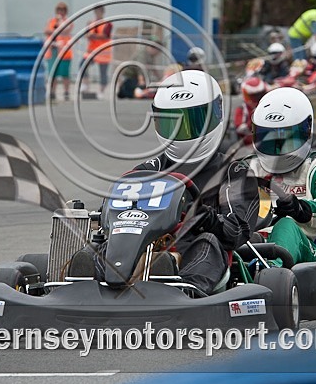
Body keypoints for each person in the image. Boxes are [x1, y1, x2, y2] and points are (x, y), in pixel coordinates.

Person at [76, 69, 260, 295]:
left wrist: (204, 215)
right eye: (171, 123)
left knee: (208, 242)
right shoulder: (149, 170)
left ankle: (183, 288)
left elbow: (236, 232)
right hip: (141, 249)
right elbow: (112, 212)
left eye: (191, 122)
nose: (181, 132)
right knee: (105, 245)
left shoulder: (233, 172)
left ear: (215, 114)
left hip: (196, 253)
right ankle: (83, 280)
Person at [249, 87, 316, 266]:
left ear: (307, 129)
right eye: (268, 138)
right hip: (250, 241)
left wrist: (301, 209)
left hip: (303, 245)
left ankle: (271, 271)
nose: (277, 147)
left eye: (286, 138)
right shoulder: (247, 167)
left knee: (286, 224)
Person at [44, 2, 74, 101]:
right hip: (53, 50)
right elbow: (46, 31)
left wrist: (58, 27)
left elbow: (66, 30)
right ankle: (52, 92)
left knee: (65, 74)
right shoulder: (51, 21)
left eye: (62, 10)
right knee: (53, 73)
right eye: (59, 10)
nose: (60, 12)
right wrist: (56, 29)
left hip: (64, 51)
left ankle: (66, 92)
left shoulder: (68, 21)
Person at [83, 5, 113, 98]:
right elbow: (86, 35)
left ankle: (101, 92)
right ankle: (85, 85)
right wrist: (90, 35)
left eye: (99, 11)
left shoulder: (108, 24)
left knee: (103, 73)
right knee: (83, 66)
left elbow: (105, 36)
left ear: (102, 12)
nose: (98, 13)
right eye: (96, 12)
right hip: (92, 51)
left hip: (103, 52)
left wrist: (93, 36)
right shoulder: (90, 23)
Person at [234, 76, 268, 146]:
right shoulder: (241, 109)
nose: (258, 98)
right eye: (254, 96)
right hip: (249, 145)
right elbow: (239, 130)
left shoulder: (269, 106)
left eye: (260, 95)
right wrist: (253, 118)